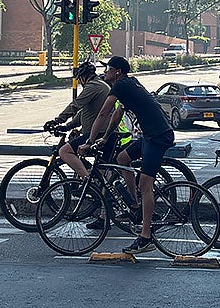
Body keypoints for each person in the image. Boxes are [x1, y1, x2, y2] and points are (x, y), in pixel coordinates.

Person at [94, 57, 176, 255]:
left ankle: (146, 237)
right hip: (150, 135)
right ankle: (135, 203)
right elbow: (116, 115)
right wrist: (104, 138)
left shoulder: (121, 85)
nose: (105, 72)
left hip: (158, 137)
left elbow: (103, 113)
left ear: (118, 72)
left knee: (145, 185)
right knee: (122, 159)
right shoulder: (129, 84)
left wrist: (90, 140)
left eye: (108, 69)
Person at [48, 61, 111, 178]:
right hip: (102, 132)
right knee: (100, 171)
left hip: (99, 134)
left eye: (79, 79)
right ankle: (95, 185)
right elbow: (85, 112)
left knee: (64, 151)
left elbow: (76, 105)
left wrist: (58, 120)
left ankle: (87, 182)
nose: (79, 82)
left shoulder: (93, 87)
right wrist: (69, 126)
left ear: (83, 77)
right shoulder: (99, 84)